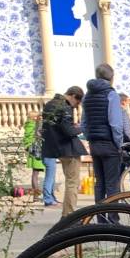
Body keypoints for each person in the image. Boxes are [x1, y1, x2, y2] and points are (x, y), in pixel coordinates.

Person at [81, 63, 126, 206]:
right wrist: (119, 144)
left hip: (94, 144)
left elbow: (84, 122)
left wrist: (90, 138)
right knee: (112, 184)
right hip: (110, 144)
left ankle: (101, 217)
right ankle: (113, 219)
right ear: (111, 77)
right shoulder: (111, 94)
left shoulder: (87, 96)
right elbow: (115, 123)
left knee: (99, 183)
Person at [40, 86, 86, 216]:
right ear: (73, 96)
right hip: (69, 149)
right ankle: (69, 215)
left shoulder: (49, 104)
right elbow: (68, 131)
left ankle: (67, 214)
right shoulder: (65, 107)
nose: (76, 106)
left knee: (70, 181)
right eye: (77, 103)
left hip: (56, 148)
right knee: (73, 183)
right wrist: (81, 128)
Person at [118, 93, 130, 192]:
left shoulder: (114, 112)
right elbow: (127, 131)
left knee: (119, 175)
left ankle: (118, 195)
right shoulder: (123, 112)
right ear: (124, 101)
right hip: (127, 147)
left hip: (119, 147)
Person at [22, 111, 43, 200]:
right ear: (34, 118)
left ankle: (35, 195)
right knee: (35, 174)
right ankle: (36, 196)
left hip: (31, 151)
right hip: (36, 152)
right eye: (37, 117)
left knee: (34, 174)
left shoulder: (28, 125)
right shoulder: (35, 126)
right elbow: (38, 136)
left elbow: (27, 139)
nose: (39, 118)